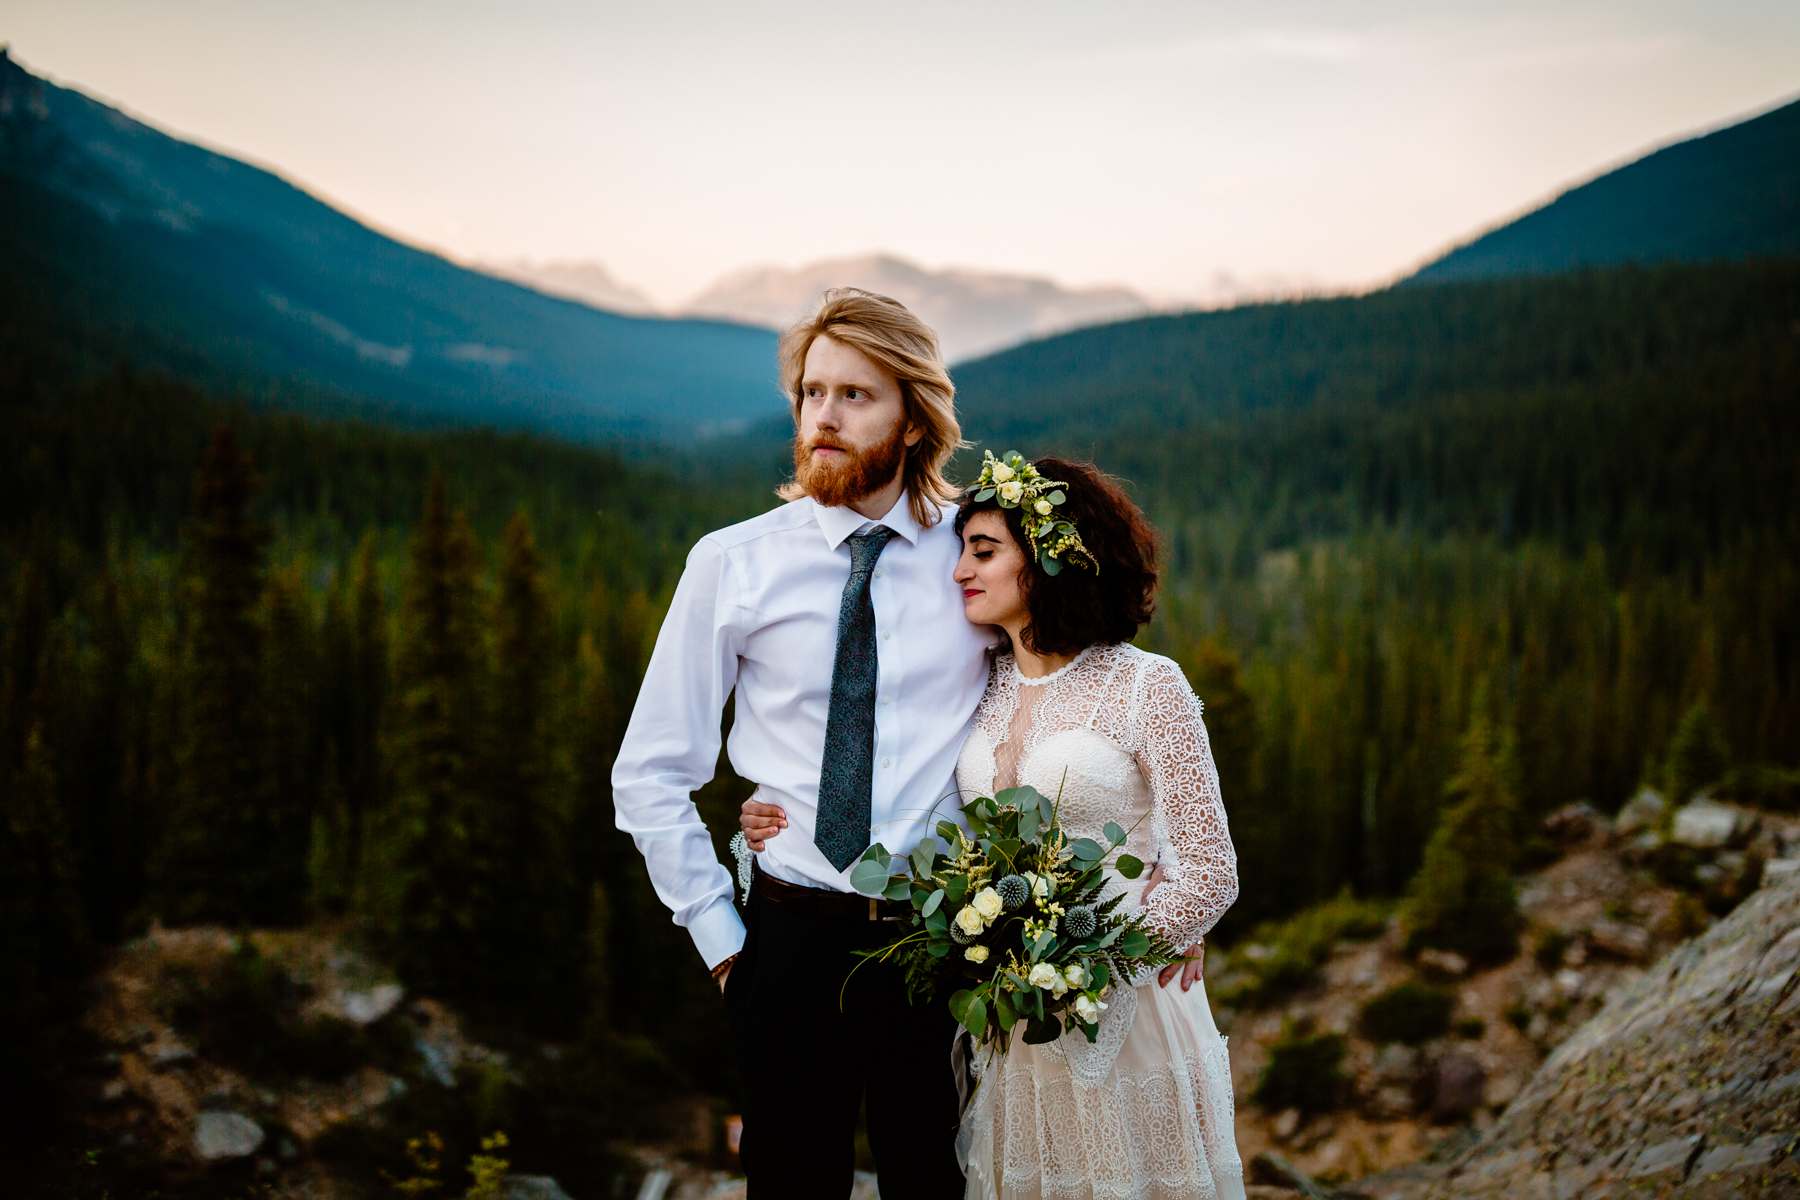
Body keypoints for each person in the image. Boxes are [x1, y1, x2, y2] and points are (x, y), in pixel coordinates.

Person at [739, 452, 1246, 1200]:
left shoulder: (1147, 684)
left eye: (984, 552)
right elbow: (893, 784)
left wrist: (1095, 964)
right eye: (962, 551)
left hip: (1124, 1012)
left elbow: (1209, 869)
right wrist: (768, 812)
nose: (960, 572)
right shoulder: (983, 681)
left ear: (1048, 558)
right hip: (1011, 1029)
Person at [611, 287, 989, 1197]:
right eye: (812, 394)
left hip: (940, 950)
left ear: (910, 421)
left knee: (936, 1184)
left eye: (855, 396)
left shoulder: (977, 556)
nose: (823, 416)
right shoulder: (733, 563)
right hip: (787, 942)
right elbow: (651, 772)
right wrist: (724, 941)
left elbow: (1070, 699)